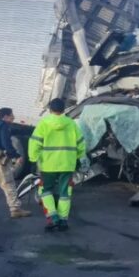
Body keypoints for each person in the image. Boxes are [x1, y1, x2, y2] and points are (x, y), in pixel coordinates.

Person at [28, 98, 86, 232]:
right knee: (65, 192)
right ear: (64, 109)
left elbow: (34, 142)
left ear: (50, 110)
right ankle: (63, 220)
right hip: (67, 164)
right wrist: (79, 158)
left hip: (48, 164)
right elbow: (81, 143)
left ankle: (53, 217)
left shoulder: (44, 123)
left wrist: (33, 159)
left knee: (45, 190)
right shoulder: (71, 124)